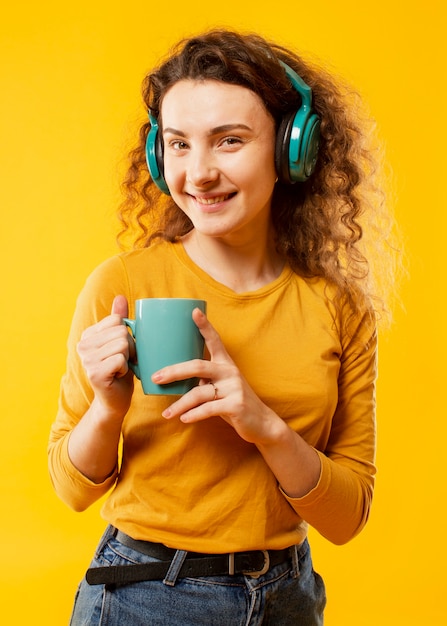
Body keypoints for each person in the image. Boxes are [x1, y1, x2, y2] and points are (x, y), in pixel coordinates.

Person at [48, 28, 394, 625]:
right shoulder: (123, 285)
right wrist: (107, 408)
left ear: (293, 150)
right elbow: (72, 489)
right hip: (144, 594)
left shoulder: (339, 307)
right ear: (158, 154)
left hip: (289, 597)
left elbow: (347, 518)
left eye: (229, 141)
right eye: (179, 145)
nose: (199, 173)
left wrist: (263, 424)